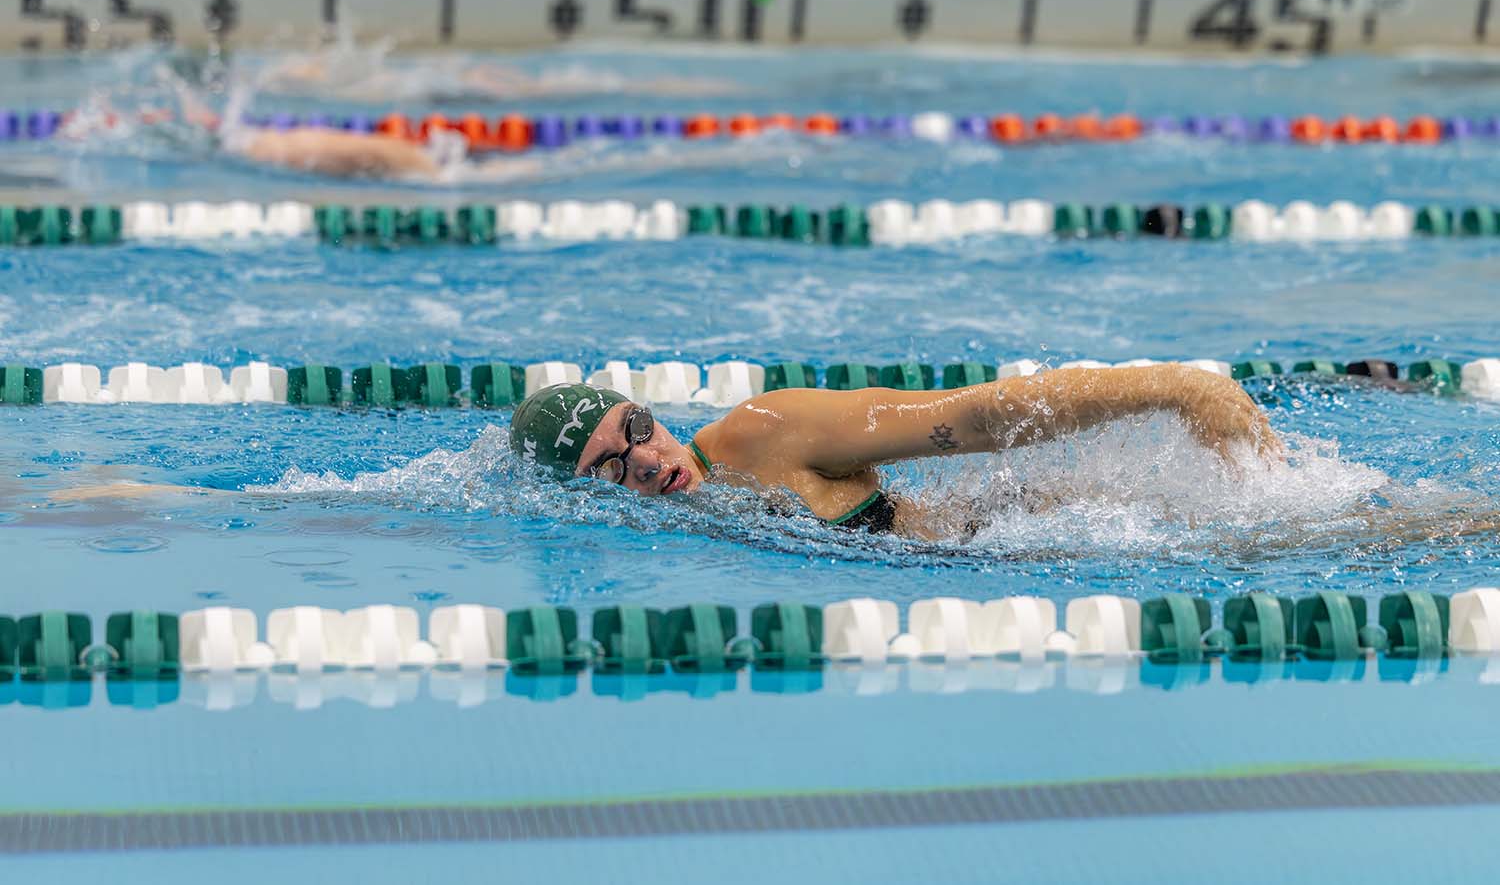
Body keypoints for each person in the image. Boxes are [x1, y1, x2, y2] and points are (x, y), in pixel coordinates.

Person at [508, 364, 1284, 539]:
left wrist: (1175, 387)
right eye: (609, 466)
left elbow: (975, 415)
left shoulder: (765, 432)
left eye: (636, 429)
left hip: (1058, 533)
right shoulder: (658, 532)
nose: (642, 460)